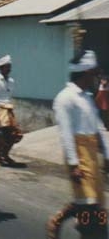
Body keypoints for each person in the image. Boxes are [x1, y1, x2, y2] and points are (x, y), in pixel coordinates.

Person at [47, 50, 109, 239]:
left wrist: (106, 156)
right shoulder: (65, 98)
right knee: (88, 208)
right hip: (79, 158)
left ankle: (74, 224)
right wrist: (74, 164)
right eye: (93, 73)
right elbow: (66, 134)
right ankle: (63, 222)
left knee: (95, 206)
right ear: (85, 73)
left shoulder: (87, 97)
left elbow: (98, 129)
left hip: (91, 157)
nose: (96, 77)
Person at [0, 55, 24, 167]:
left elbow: (9, 97)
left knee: (14, 134)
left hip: (8, 110)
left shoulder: (11, 81)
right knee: (1, 135)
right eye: (6, 67)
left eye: (9, 66)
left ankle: (5, 154)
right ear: (1, 68)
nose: (9, 69)